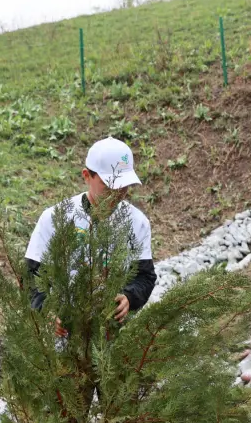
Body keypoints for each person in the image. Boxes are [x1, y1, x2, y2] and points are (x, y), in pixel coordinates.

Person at [24, 136, 156, 321]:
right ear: (87, 176)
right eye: (109, 184)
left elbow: (144, 276)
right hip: (62, 329)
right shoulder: (55, 218)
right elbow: (32, 275)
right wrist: (46, 312)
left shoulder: (137, 222)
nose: (118, 192)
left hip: (110, 329)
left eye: (124, 185)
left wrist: (129, 297)